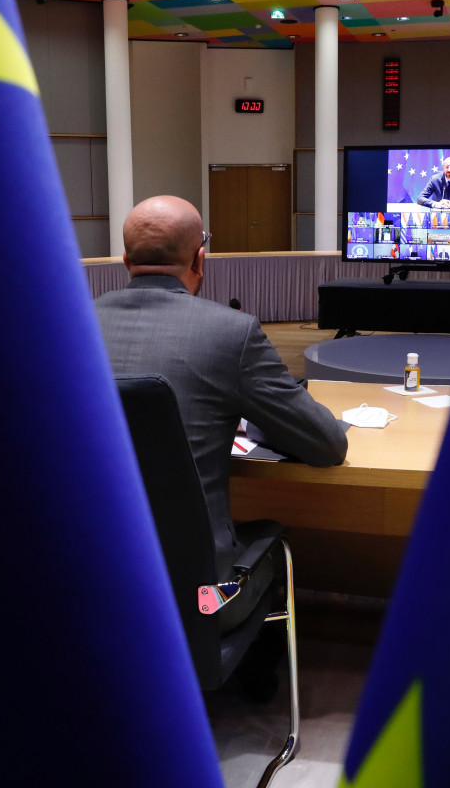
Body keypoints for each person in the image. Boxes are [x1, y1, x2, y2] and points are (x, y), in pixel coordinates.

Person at [95, 195, 348, 649]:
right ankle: (250, 683)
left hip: (86, 586)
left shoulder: (67, 328)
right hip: (200, 597)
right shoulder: (232, 334)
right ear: (199, 258)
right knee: (272, 546)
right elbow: (327, 444)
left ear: (127, 261)